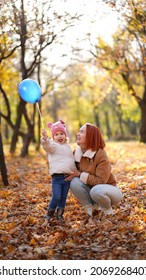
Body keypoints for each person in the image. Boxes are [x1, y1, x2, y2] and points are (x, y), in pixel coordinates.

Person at [65, 123, 122, 217]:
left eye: (81, 132)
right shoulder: (77, 152)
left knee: (96, 191)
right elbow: (70, 171)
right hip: (91, 190)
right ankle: (90, 209)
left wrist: (80, 174)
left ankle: (107, 209)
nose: (78, 134)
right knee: (74, 182)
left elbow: (101, 181)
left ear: (90, 136)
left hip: (109, 191)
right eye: (79, 131)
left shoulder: (100, 154)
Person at [41, 119, 76, 223]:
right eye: (56, 134)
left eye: (62, 134)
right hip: (57, 177)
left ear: (65, 135)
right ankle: (49, 215)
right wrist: (45, 138)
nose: (60, 136)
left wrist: (74, 171)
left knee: (63, 198)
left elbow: (71, 160)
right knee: (56, 196)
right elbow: (47, 146)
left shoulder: (68, 147)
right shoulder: (53, 146)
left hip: (67, 177)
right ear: (53, 137)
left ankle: (60, 215)